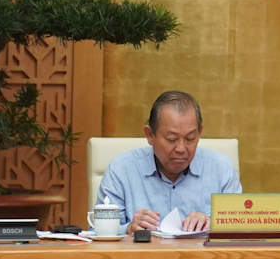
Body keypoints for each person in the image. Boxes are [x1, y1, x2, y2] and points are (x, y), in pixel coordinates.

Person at [96, 91, 241, 234]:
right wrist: (129, 228)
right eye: (171, 139)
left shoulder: (222, 170)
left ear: (199, 133)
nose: (181, 148)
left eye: (190, 139)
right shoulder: (121, 170)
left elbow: (240, 231)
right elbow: (97, 233)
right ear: (150, 135)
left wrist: (213, 224)